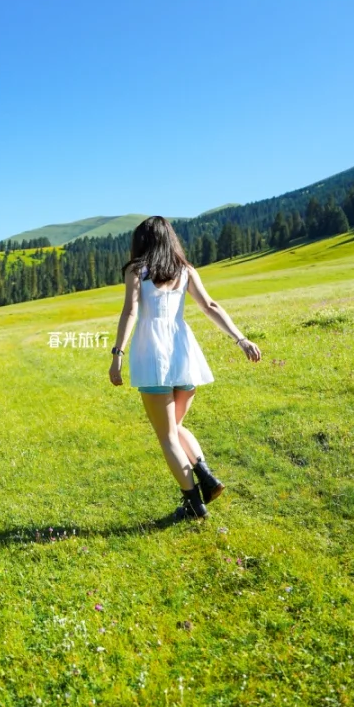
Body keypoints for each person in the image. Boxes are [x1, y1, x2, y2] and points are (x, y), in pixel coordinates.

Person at [108, 216, 261, 520]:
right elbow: (210, 306)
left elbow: (131, 310)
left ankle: (194, 505)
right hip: (184, 353)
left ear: (143, 241)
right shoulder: (186, 270)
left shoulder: (137, 270)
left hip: (152, 355)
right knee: (175, 428)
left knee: (166, 436)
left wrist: (118, 354)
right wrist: (240, 339)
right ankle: (206, 476)